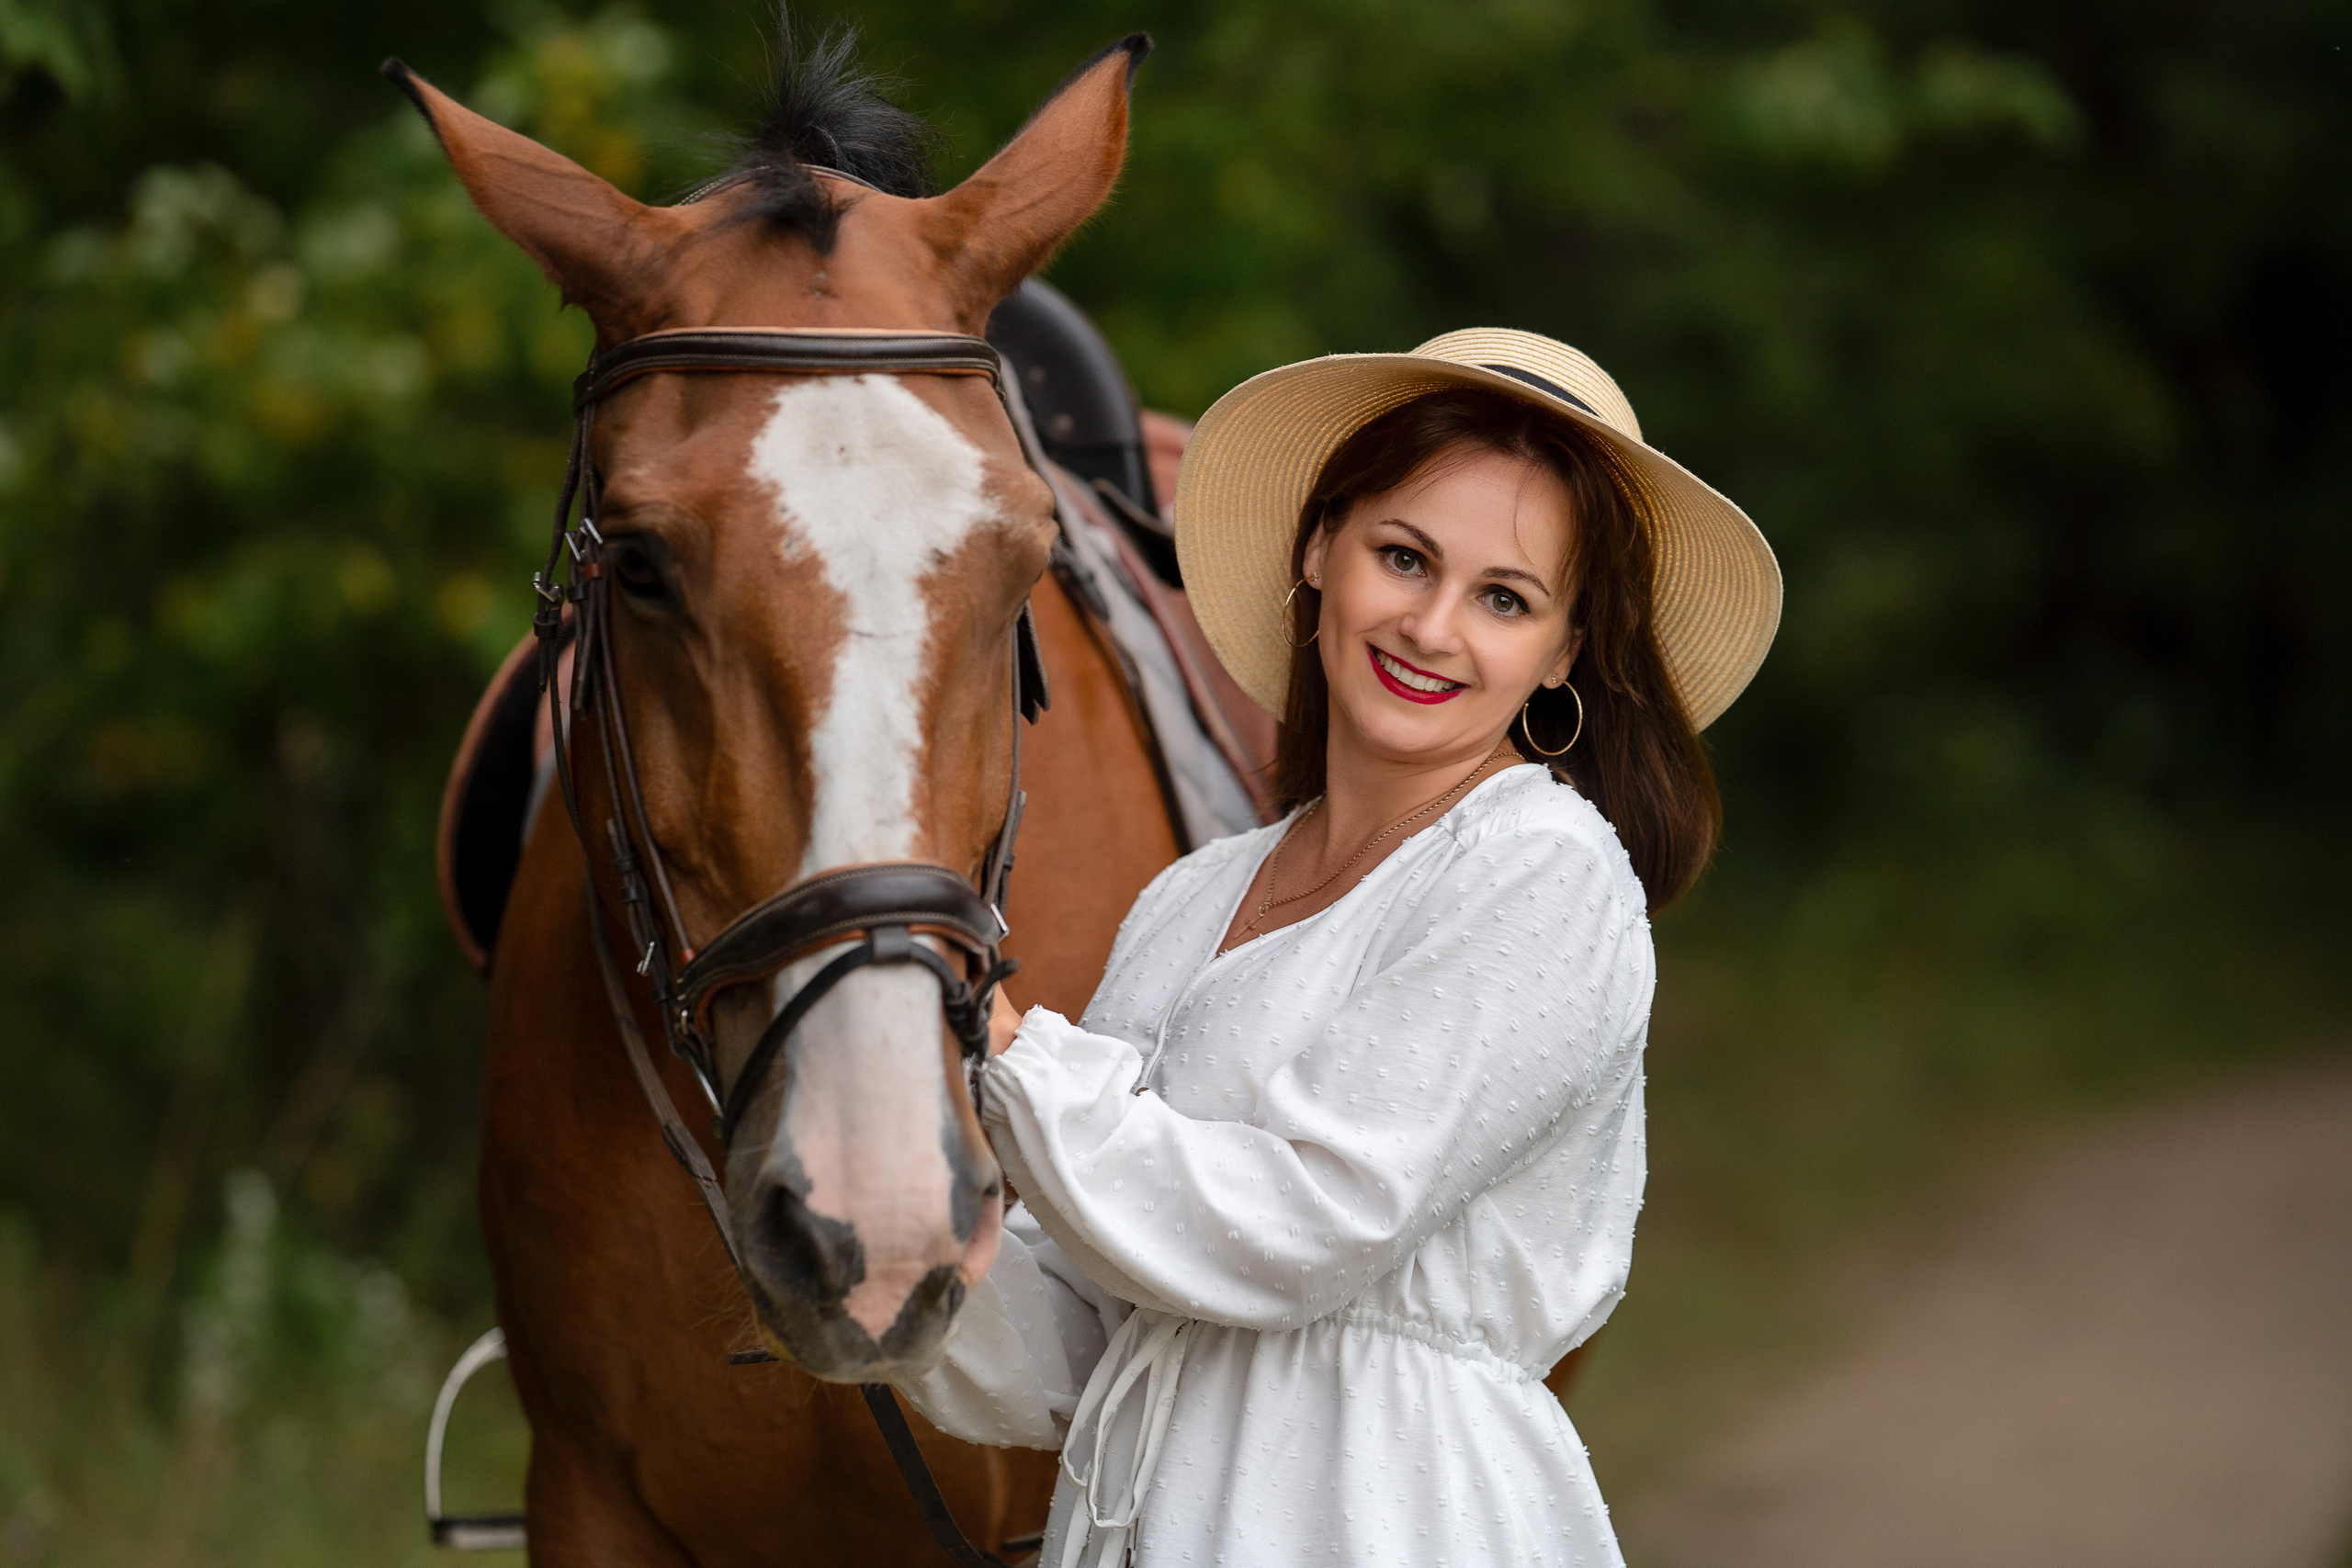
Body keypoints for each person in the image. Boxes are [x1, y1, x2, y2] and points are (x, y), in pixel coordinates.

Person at [899, 329, 1781, 1567]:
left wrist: (1003, 1047)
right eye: (1404, 557)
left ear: (1564, 653)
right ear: (1321, 549)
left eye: (1505, 599)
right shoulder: (1196, 893)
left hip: (1389, 1518)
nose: (1431, 626)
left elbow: (1314, 1220)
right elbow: (1101, 1324)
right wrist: (891, 1245)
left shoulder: (1545, 874)